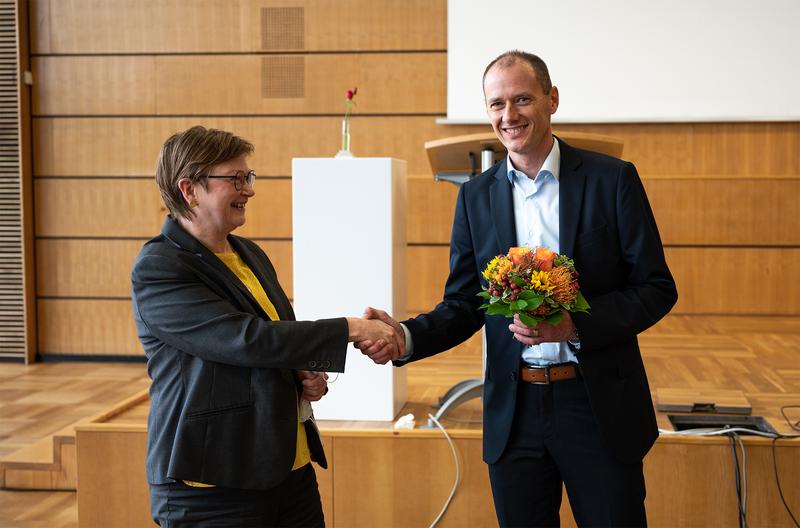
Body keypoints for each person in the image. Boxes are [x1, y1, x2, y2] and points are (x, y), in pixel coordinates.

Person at [359, 51, 677, 527]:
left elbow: (655, 288)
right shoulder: (475, 196)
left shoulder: (612, 180)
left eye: (522, 99)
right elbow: (466, 303)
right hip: (514, 412)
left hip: (595, 407)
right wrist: (405, 336)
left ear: (552, 99)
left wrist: (574, 326)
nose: (509, 116)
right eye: (497, 104)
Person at [131, 126, 397, 527]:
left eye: (248, 177)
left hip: (285, 468)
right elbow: (244, 340)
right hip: (213, 481)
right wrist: (349, 328)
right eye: (235, 179)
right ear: (189, 189)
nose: (249, 189)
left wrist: (304, 376)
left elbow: (272, 343)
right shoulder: (161, 268)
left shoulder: (248, 252)